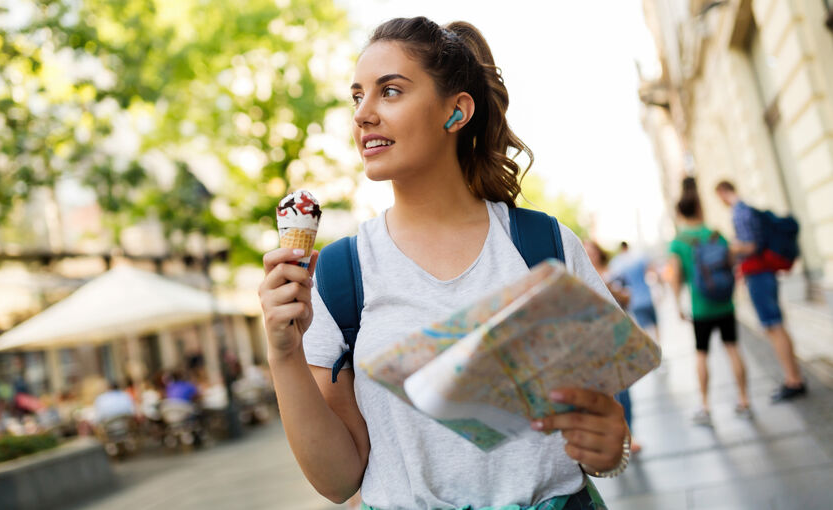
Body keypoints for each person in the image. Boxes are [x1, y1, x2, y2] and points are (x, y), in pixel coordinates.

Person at [259, 17, 628, 509]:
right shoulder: (341, 273)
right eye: (357, 96)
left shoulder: (545, 245)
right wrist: (284, 354)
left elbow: (601, 427)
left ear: (456, 113)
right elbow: (338, 480)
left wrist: (610, 446)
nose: (363, 114)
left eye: (389, 91)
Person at [714, 180, 806, 402]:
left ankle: (793, 380)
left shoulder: (739, 212)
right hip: (764, 273)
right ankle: (794, 377)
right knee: (777, 325)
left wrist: (731, 247)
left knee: (773, 326)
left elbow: (751, 245)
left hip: (758, 274)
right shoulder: (747, 208)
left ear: (722, 193)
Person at [668, 193, 750, 424]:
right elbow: (731, 264)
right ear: (699, 208)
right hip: (724, 302)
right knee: (733, 349)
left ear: (681, 213)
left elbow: (675, 277)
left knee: (701, 354)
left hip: (701, 307)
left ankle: (705, 405)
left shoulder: (679, 242)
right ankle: (744, 399)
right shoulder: (715, 234)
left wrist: (678, 305)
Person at [584, 240, 642, 455]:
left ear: (599, 253)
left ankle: (629, 433)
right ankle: (613, 436)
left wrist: (609, 290)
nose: (589, 254)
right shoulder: (577, 274)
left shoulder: (612, 272)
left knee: (622, 388)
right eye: (585, 250)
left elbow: (628, 299)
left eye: (591, 250)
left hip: (615, 337)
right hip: (592, 342)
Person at [608, 241, 660, 345]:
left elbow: (614, 283)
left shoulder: (616, 263)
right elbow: (652, 271)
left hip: (634, 301)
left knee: (643, 328)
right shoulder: (640, 257)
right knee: (655, 324)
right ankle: (659, 345)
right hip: (647, 297)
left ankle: (650, 348)